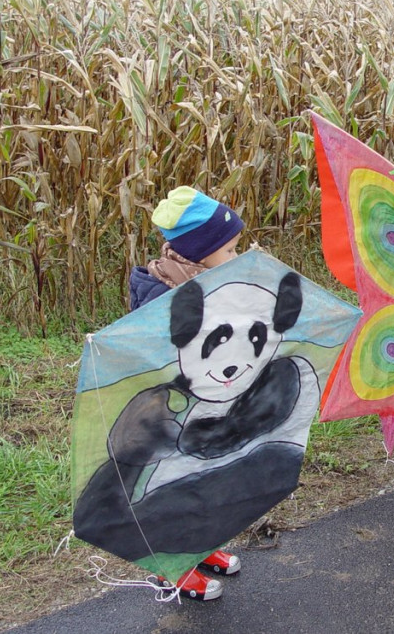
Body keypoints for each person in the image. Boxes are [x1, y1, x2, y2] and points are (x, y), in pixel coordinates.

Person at [128, 185, 245, 601]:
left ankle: (200, 545)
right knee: (177, 483)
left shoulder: (203, 281)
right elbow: (166, 358)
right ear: (200, 252)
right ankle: (170, 566)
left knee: (207, 479)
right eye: (230, 250)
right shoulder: (164, 296)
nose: (235, 257)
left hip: (206, 405)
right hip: (173, 413)